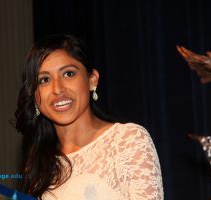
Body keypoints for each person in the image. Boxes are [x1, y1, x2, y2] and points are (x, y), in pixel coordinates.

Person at [15, 34, 163, 200]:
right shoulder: (38, 162)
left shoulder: (128, 140)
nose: (57, 89)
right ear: (34, 94)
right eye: (44, 80)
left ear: (92, 80)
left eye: (68, 74)